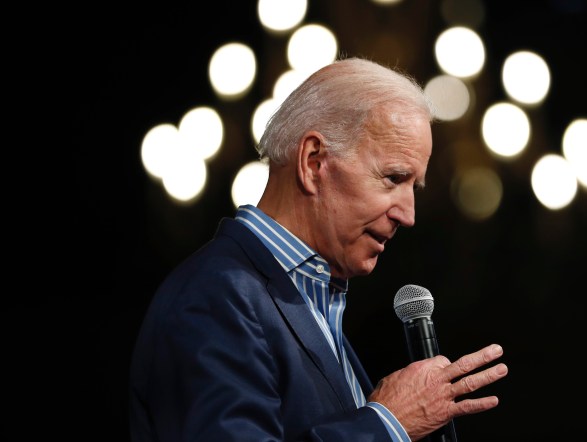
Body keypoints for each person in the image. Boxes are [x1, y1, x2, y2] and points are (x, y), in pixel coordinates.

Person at [129, 57, 508, 442]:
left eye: (414, 187)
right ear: (314, 163)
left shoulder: (311, 299)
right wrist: (386, 424)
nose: (408, 215)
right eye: (393, 178)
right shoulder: (214, 296)